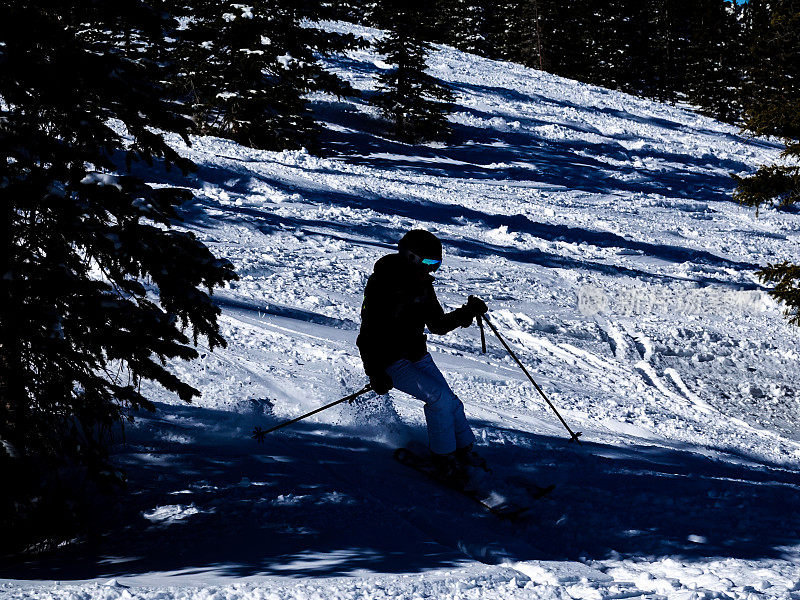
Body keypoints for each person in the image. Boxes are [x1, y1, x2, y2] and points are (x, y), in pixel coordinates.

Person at [357, 229, 488, 485]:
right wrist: (374, 371)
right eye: (429, 263)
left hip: (416, 353)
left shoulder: (423, 284)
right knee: (438, 398)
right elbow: (367, 333)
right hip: (389, 359)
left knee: (450, 401)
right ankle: (444, 461)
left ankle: (464, 452)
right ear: (411, 257)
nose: (432, 270)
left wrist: (467, 312)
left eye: (436, 264)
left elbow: (437, 324)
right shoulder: (383, 284)